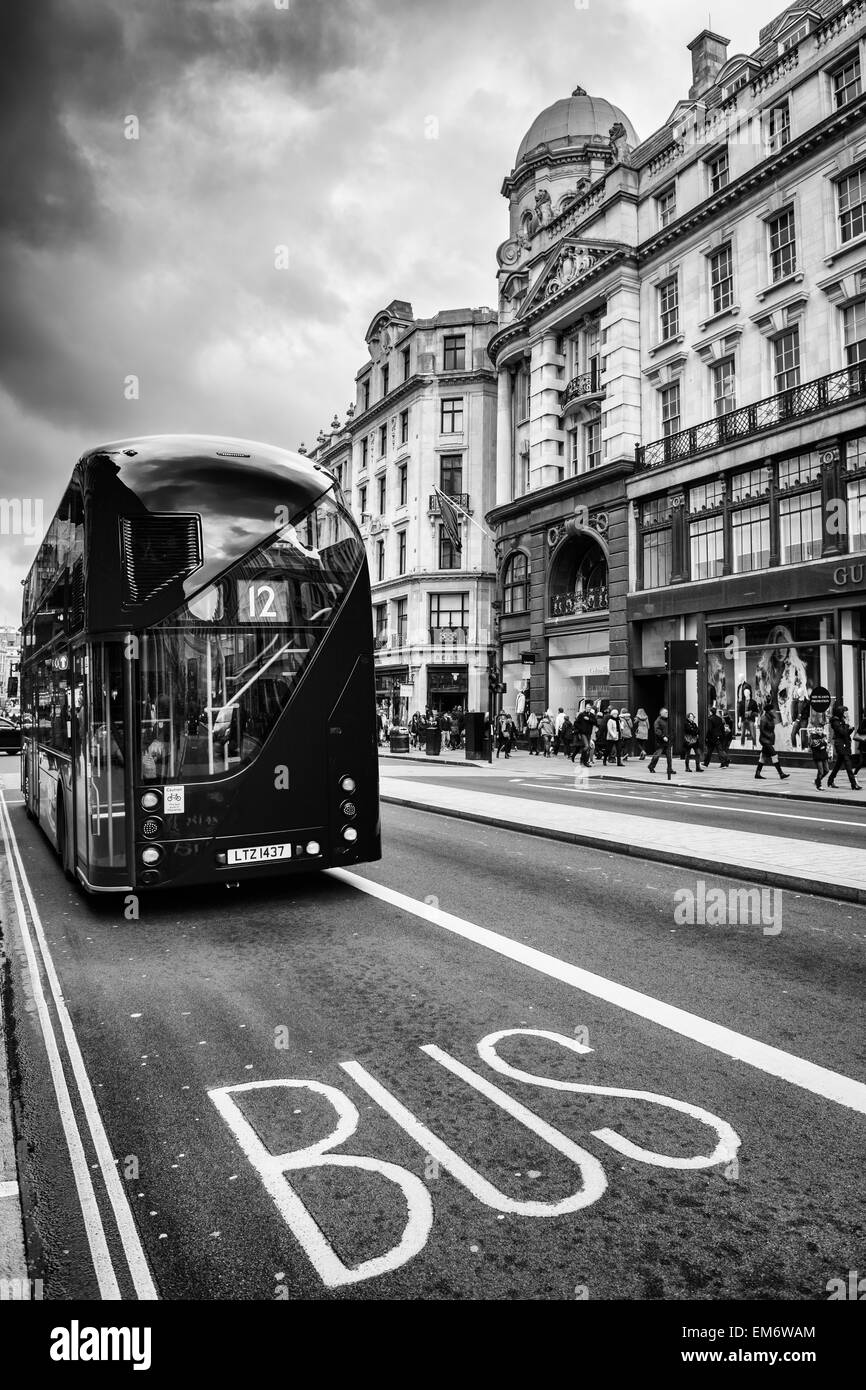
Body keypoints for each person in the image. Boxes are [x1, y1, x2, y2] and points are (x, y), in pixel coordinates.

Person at [827, 703, 862, 790]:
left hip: (845, 743)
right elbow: (842, 733)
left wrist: (851, 729)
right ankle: (853, 784)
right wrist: (846, 725)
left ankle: (830, 781)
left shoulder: (842, 720)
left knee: (838, 765)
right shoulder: (835, 721)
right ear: (841, 712)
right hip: (840, 744)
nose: (847, 714)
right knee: (848, 764)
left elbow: (846, 734)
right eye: (845, 712)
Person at [755, 698, 789, 780]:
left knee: (763, 757)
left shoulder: (771, 718)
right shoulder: (763, 718)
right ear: (768, 711)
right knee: (774, 755)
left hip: (768, 740)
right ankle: (781, 773)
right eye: (772, 710)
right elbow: (762, 730)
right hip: (765, 740)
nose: (773, 711)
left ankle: (757, 774)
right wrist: (770, 735)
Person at [648, 707, 674, 775]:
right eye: (666, 712)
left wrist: (671, 737)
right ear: (661, 713)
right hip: (660, 742)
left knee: (669, 757)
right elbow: (657, 730)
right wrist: (663, 737)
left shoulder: (668, 720)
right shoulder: (658, 721)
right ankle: (651, 766)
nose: (667, 713)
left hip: (668, 742)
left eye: (667, 712)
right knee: (657, 756)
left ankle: (669, 769)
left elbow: (671, 729)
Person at [809, 716, 830, 790]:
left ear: (823, 730)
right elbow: (817, 745)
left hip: (824, 756)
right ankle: (819, 785)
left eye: (820, 730)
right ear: (815, 730)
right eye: (817, 730)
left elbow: (825, 744)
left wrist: (823, 744)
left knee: (827, 770)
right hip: (817, 757)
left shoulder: (824, 736)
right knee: (820, 771)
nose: (819, 731)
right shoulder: (813, 737)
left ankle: (817, 780)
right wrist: (823, 744)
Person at [852, 711, 866, 776]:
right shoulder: (864, 721)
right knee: (861, 761)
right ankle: (855, 773)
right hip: (864, 744)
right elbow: (860, 730)